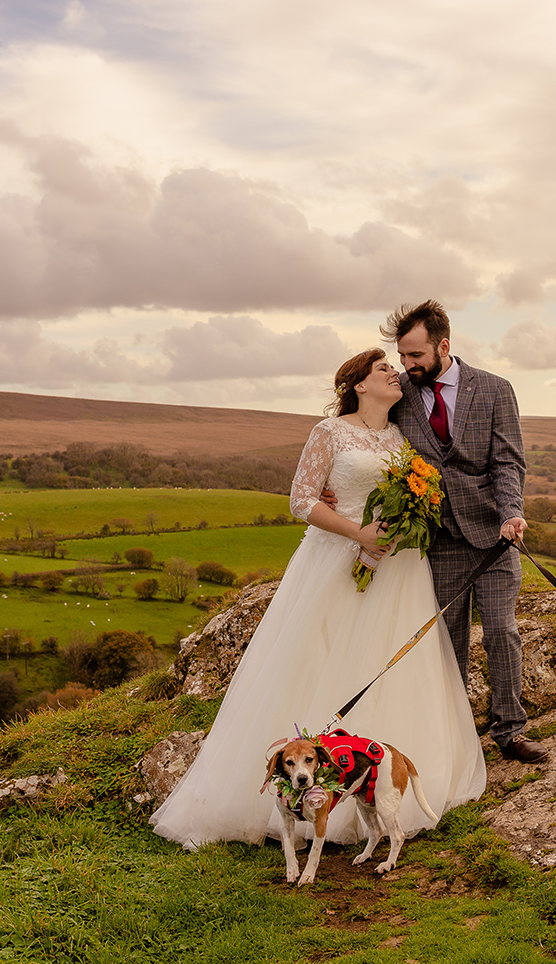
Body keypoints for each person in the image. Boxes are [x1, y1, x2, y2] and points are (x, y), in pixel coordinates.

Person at [149, 349, 487, 849]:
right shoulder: (328, 432)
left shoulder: (400, 435)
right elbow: (301, 499)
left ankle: (384, 780)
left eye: (395, 369)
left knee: (390, 660)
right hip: (336, 560)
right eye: (384, 370)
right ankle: (306, 784)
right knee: (320, 657)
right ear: (358, 385)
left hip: (399, 569)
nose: (395, 374)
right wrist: (358, 533)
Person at [384, 300, 547, 764]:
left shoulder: (495, 389)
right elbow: (364, 437)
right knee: (447, 642)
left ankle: (510, 731)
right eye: (402, 356)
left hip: (496, 535)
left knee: (500, 631)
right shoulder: (399, 393)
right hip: (437, 541)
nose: (406, 366)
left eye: (415, 356)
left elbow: (508, 461)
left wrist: (511, 513)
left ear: (444, 346)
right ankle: (455, 739)